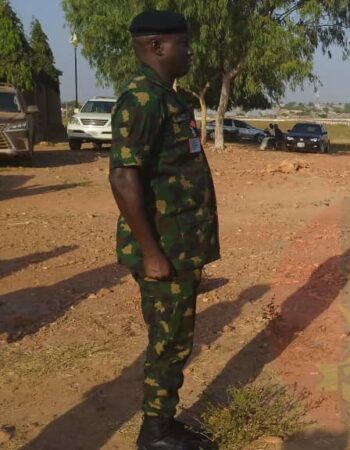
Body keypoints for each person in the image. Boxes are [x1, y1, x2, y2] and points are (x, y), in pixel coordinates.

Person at [108, 10, 219, 449]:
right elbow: (123, 177)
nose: (190, 51)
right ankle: (155, 433)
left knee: (173, 337)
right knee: (169, 341)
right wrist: (152, 253)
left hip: (180, 247)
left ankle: (161, 423)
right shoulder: (142, 99)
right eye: (182, 44)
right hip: (165, 251)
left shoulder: (168, 97)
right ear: (156, 46)